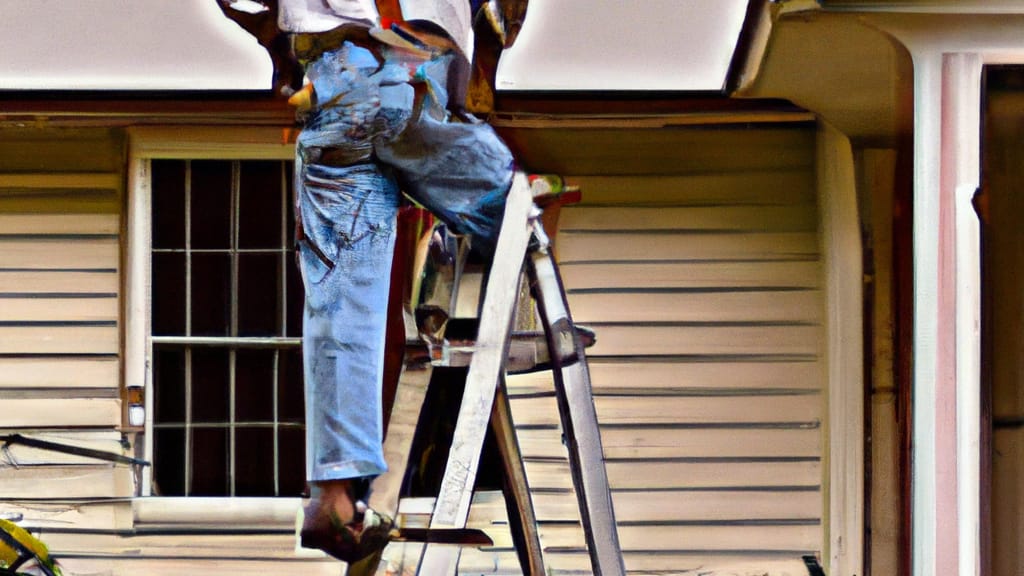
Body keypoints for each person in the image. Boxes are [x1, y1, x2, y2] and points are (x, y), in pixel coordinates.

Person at [277, 0, 517, 563]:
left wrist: (288, 63)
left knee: (338, 292)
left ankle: (332, 493)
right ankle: (536, 311)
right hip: (410, 69)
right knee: (516, 209)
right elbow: (497, 23)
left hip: (332, 85)